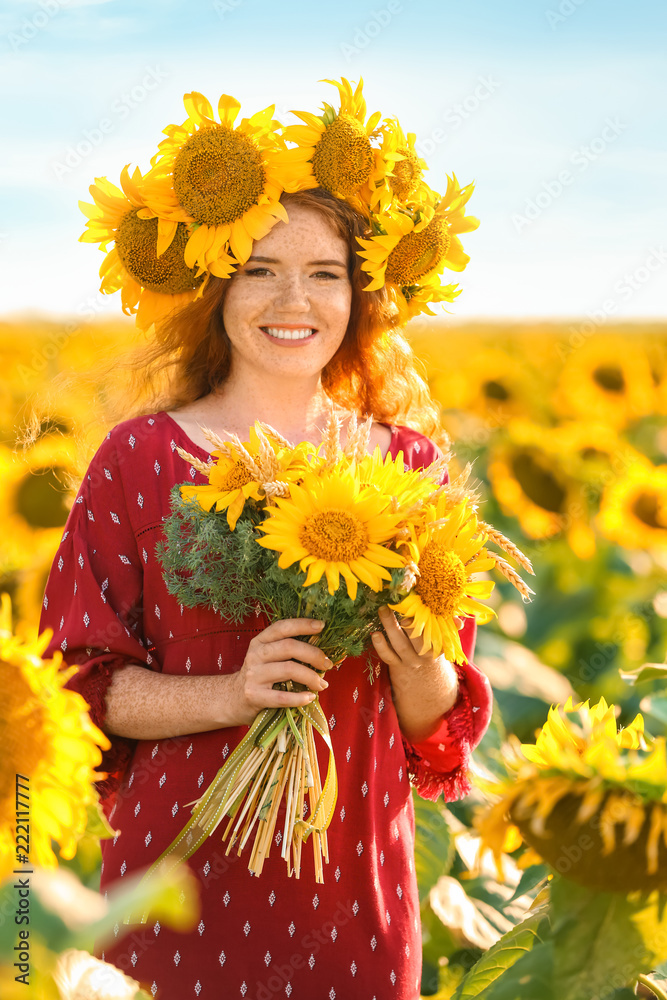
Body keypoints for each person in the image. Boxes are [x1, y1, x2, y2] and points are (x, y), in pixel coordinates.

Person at [40, 84, 492, 999]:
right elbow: (80, 687)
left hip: (354, 893)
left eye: (325, 272)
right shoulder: (141, 457)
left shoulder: (406, 463)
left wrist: (413, 664)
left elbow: (434, 726)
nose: (295, 300)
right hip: (178, 880)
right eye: (258, 269)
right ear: (216, 286)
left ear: (361, 293)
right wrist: (232, 692)